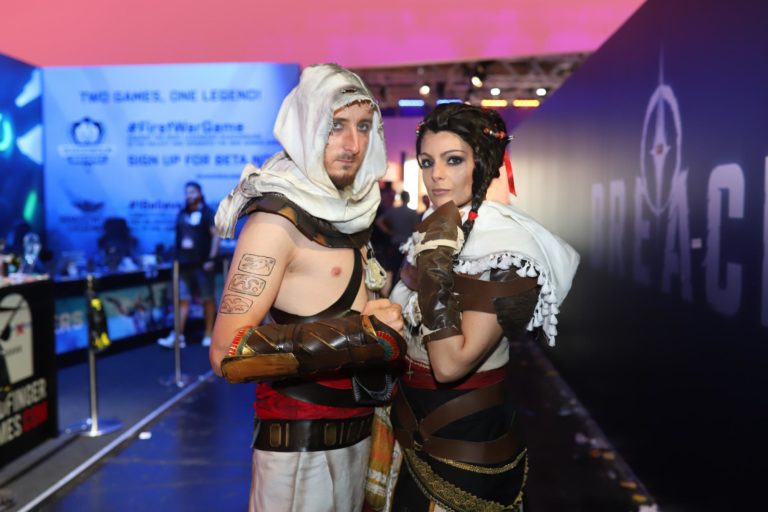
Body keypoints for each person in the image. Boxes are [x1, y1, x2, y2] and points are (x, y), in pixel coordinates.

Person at [210, 64, 406, 512]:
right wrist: (359, 334)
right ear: (305, 126)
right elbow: (226, 352)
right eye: (335, 126)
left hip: (358, 431)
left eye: (363, 127)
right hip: (300, 445)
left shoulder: (350, 212)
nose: (352, 144)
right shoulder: (274, 224)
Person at [381, 104, 580, 511]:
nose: (436, 175)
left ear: (483, 164)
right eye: (427, 162)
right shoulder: (436, 227)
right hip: (404, 431)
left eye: (453, 160)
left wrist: (434, 264)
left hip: (467, 445)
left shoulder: (510, 251)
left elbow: (450, 364)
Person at [157, 181, 220, 348]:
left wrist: (211, 258)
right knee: (182, 298)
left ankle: (209, 333)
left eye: (192, 192)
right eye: (186, 192)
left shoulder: (208, 212)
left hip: (203, 263)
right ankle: (178, 335)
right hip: (184, 263)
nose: (188, 195)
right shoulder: (182, 213)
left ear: (199, 193)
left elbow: (216, 236)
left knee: (207, 298)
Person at [375, 190, 421, 294]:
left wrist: (389, 232)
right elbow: (416, 228)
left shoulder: (394, 211)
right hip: (408, 245)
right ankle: (402, 292)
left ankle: (392, 290)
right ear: (408, 199)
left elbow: (379, 221)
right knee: (406, 269)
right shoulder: (412, 213)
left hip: (395, 243)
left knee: (394, 268)